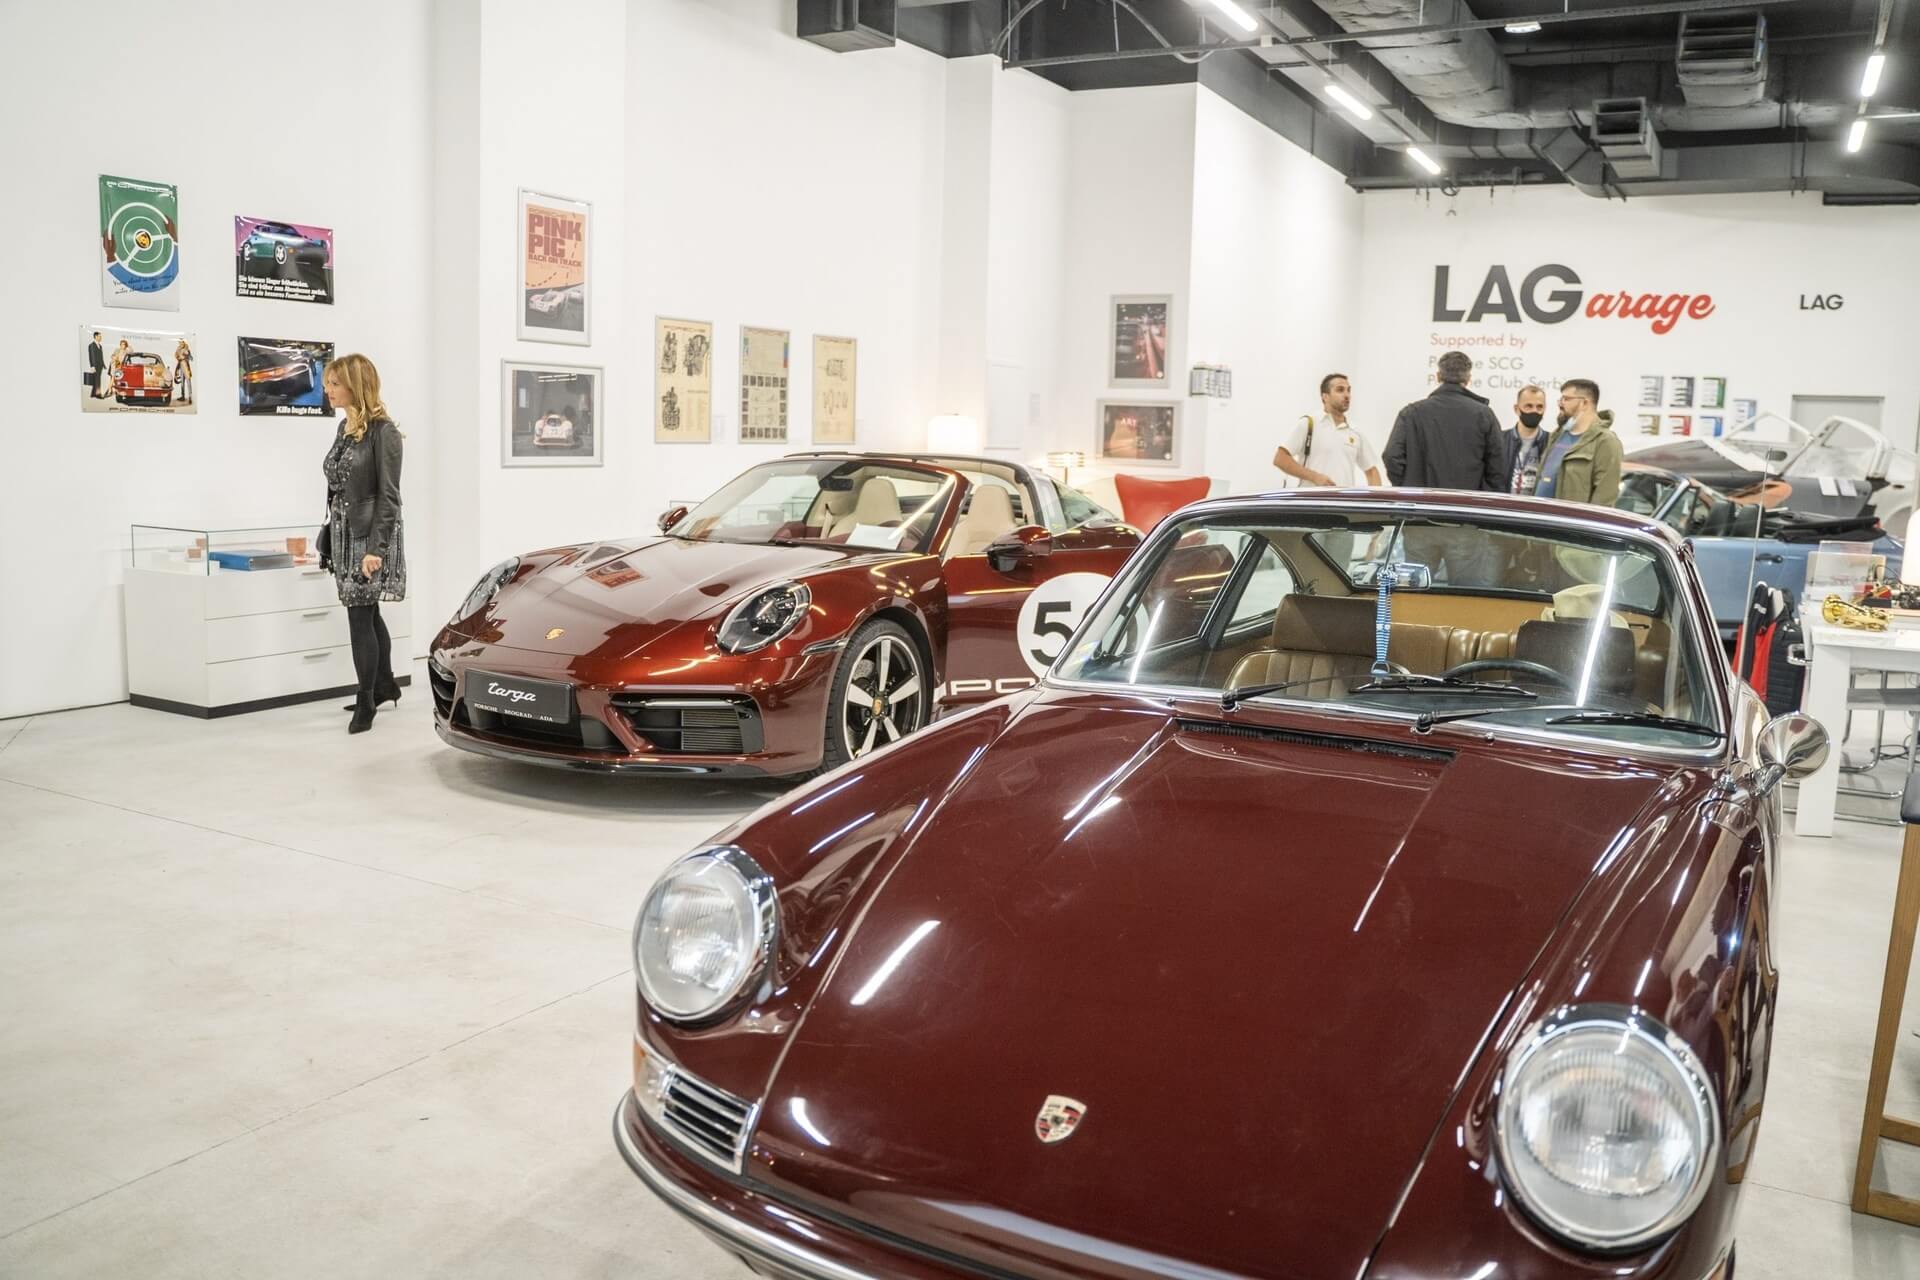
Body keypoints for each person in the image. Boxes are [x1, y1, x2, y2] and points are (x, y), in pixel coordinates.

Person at [319, 354, 407, 733]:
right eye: (326, 384)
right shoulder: (345, 428)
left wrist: (376, 550)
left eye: (335, 384)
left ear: (356, 385)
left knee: (359, 617)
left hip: (368, 536)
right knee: (368, 612)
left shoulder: (383, 432)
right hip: (343, 531)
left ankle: (365, 700)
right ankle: (385, 685)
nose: (328, 391)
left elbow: (389, 497)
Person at [1383, 351, 1505, 491]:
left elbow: (1392, 457)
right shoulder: (1484, 415)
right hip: (1467, 507)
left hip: (1419, 507)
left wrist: (1408, 486)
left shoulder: (1410, 413)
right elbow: (1497, 468)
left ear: (1438, 376)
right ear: (1468, 379)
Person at [1273, 373, 1382, 488]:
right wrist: (1315, 477)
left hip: (1343, 504)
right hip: (1311, 503)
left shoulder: (1355, 433)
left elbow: (1372, 471)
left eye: (1348, 390)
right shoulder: (1309, 424)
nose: (1347, 395)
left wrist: (1377, 502)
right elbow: (1280, 459)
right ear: (1325, 396)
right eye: (1340, 390)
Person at [1535, 378, 1623, 507]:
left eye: (1566, 399)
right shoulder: (1557, 435)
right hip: (1541, 520)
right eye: (1561, 399)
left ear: (1585, 403)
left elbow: (1604, 501)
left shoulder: (1605, 442)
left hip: (1568, 524)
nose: (1560, 404)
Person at [1502, 385, 1551, 495]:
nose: (1534, 411)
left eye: (1539, 407)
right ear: (1516, 409)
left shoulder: (1551, 443)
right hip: (1504, 508)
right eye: (1528, 406)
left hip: (1537, 509)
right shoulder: (1500, 440)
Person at [86, 332, 106, 399]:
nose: (101, 338)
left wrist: (103, 364)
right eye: (100, 336)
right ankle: (98, 394)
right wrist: (92, 366)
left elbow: (101, 356)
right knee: (97, 380)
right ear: (96, 337)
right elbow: (91, 356)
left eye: (101, 336)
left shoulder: (100, 346)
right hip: (95, 366)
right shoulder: (91, 345)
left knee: (97, 379)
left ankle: (93, 394)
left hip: (100, 365)